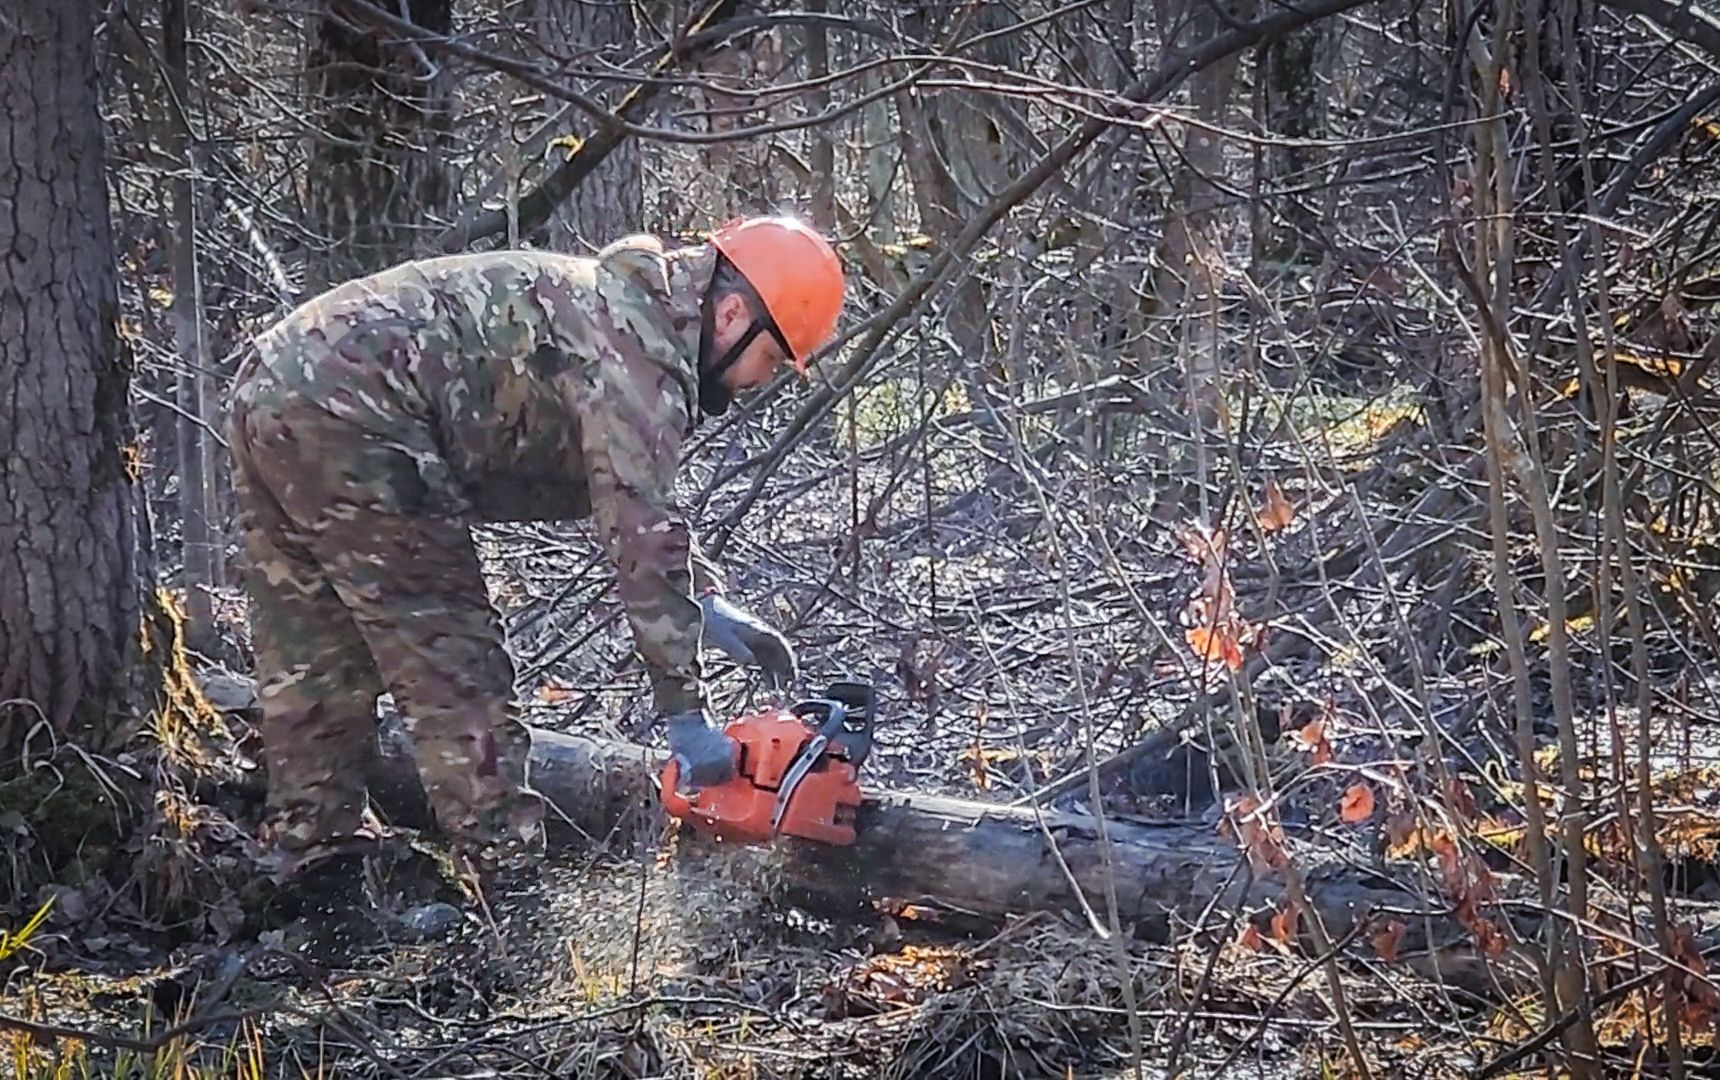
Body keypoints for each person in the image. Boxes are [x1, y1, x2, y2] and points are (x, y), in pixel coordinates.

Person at [225, 216, 845, 897]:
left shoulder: (621, 312)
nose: (760, 380)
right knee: (454, 660)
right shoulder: (638, 354)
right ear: (730, 315)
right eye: (770, 360)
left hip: (279, 377)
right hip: (362, 408)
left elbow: (634, 504)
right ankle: (509, 889)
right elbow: (640, 533)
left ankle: (314, 862)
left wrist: (706, 600)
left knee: (316, 649)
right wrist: (686, 715)